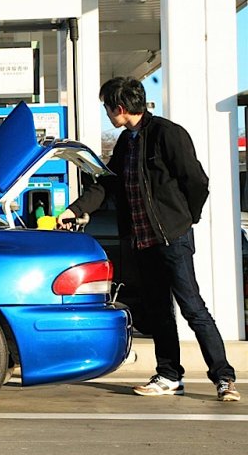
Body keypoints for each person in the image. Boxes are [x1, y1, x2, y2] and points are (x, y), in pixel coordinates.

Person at [57, 76, 239, 402]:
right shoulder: (126, 143)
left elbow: (196, 181)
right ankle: (170, 376)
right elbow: (107, 185)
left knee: (193, 308)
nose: (107, 114)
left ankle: (224, 378)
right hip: (142, 242)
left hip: (172, 239)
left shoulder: (167, 134)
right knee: (159, 312)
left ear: (120, 108)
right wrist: (75, 209)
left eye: (107, 107)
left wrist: (185, 220)